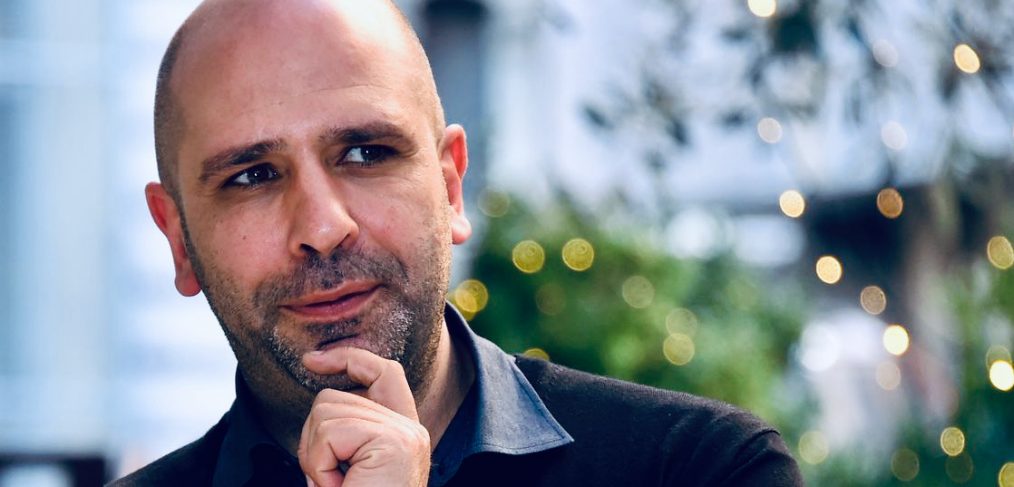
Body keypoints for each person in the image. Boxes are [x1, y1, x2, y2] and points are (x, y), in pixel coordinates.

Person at [111, 0, 805, 485]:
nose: (322, 228)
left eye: (365, 153)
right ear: (178, 239)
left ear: (449, 187)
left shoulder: (703, 468)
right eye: (253, 175)